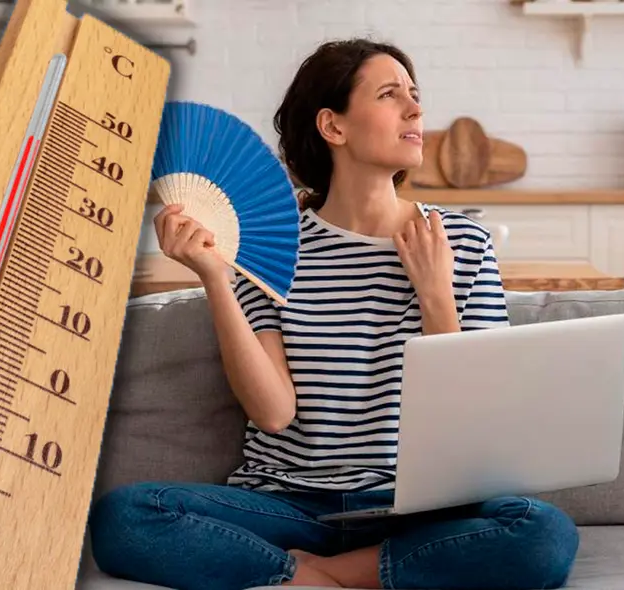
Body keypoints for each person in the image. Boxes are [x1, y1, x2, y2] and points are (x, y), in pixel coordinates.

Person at [88, 38, 580, 590]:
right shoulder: (270, 249)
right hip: (290, 505)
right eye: (391, 95)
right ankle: (340, 573)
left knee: (543, 534)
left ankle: (317, 579)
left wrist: (436, 297)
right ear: (334, 126)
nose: (416, 110)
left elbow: (484, 423)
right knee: (125, 517)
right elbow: (273, 413)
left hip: (413, 509)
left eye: (415, 95)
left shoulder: (461, 243)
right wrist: (215, 278)